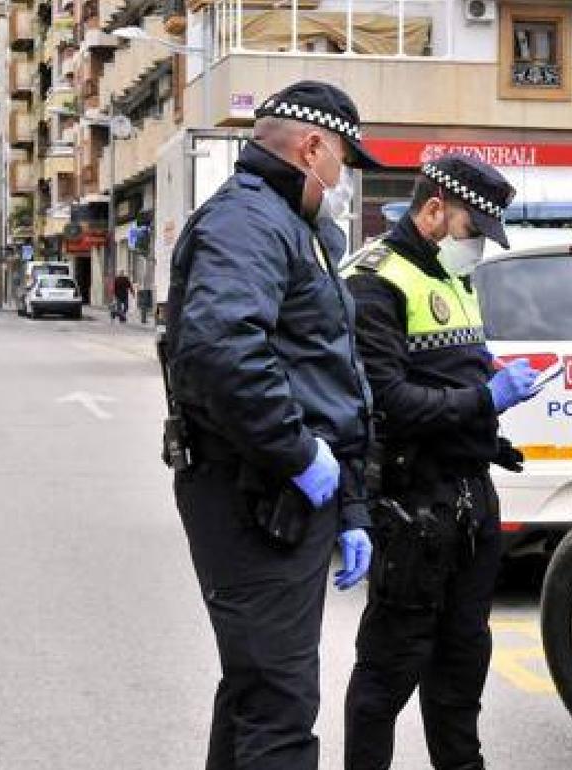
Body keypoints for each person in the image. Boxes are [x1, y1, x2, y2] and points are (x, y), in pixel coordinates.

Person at [163, 80, 379, 770]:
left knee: (257, 691)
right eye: (343, 158)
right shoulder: (249, 222)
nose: (344, 178)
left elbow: (322, 371)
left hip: (285, 491)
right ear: (313, 147)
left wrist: (348, 499)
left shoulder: (292, 226)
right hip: (254, 493)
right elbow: (222, 348)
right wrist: (295, 453)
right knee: (279, 709)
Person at [342, 155, 540, 770]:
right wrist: (483, 398)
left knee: (461, 668)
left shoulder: (454, 276)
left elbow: (457, 365)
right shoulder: (375, 280)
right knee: (388, 673)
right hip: (410, 505)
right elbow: (389, 402)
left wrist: (493, 381)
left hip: (470, 498)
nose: (476, 244)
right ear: (433, 210)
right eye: (470, 229)